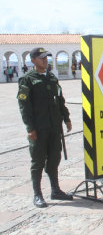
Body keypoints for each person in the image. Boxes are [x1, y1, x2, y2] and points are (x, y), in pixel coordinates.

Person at [17, 47, 73, 208]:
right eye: (41, 58)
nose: (45, 61)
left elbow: (60, 100)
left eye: (46, 58)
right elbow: (24, 106)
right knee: (38, 161)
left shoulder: (52, 78)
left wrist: (66, 118)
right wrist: (30, 128)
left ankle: (55, 190)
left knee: (55, 158)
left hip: (54, 127)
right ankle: (37, 194)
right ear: (33, 60)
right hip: (39, 128)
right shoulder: (27, 80)